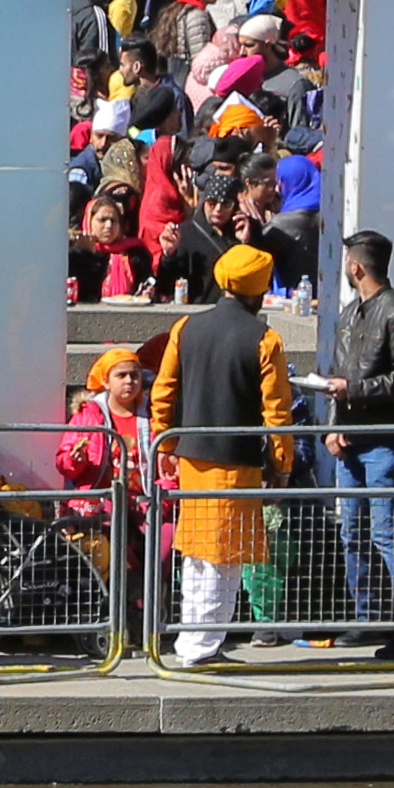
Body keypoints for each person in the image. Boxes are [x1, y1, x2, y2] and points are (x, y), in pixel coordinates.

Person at [153, 245, 292, 664]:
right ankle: (201, 647)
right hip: (237, 465)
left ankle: (194, 643)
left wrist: (166, 443)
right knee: (223, 559)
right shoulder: (265, 339)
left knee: (198, 555)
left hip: (193, 460)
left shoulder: (184, 329)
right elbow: (277, 411)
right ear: (260, 290)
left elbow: (163, 392)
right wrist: (282, 464)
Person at [313, 228, 394, 658]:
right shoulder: (352, 313)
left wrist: (352, 393)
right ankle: (368, 618)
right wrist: (331, 425)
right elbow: (335, 372)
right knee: (354, 533)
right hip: (353, 439)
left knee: (386, 532)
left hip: (384, 440)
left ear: (356, 266)